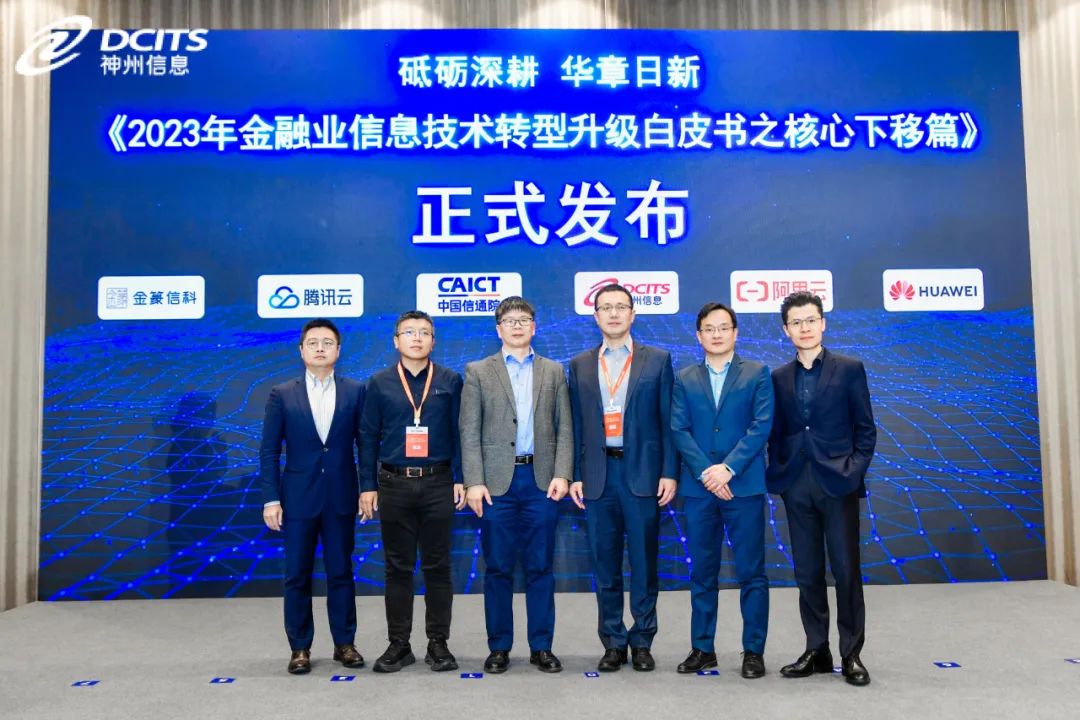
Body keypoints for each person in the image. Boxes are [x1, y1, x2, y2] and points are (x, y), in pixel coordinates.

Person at [459, 296, 574, 674]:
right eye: (510, 320)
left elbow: (565, 427)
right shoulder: (478, 371)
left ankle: (542, 646)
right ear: (499, 329)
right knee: (498, 569)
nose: (518, 325)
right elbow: (468, 431)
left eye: (524, 319)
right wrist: (473, 481)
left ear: (534, 327)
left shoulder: (553, 371)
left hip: (541, 482)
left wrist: (562, 473)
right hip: (495, 486)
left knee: (541, 567)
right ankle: (499, 647)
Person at [767, 291, 876, 687]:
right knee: (807, 572)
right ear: (786, 330)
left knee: (846, 571)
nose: (805, 328)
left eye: (811, 320)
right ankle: (817, 649)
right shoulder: (778, 377)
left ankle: (851, 654)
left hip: (838, 484)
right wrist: (781, 474)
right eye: (796, 322)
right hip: (797, 485)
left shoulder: (849, 369)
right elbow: (776, 433)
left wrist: (852, 471)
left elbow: (866, 429)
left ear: (823, 323)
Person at [567, 283, 678, 672]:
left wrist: (669, 472)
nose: (613, 314)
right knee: (605, 564)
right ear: (595, 316)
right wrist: (575, 474)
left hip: (643, 473)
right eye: (605, 307)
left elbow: (668, 421)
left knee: (644, 564)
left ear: (633, 314)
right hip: (598, 476)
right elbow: (575, 426)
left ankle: (643, 640)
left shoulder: (658, 360)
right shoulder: (579, 364)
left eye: (620, 307)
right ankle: (613, 641)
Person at [358, 310, 466, 673]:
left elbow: (460, 433)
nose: (417, 338)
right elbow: (367, 437)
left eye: (424, 332)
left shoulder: (450, 380)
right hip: (393, 484)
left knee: (438, 566)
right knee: (397, 567)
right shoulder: (379, 383)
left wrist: (461, 478)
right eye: (409, 332)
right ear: (396, 341)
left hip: (438, 482)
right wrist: (367, 486)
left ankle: (438, 643)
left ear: (433, 341)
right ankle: (399, 644)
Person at [671, 302, 774, 678]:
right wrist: (707, 473)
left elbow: (761, 426)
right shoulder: (684, 377)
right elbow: (679, 429)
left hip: (743, 487)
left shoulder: (757, 373)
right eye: (709, 329)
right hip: (700, 491)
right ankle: (703, 648)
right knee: (702, 572)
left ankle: (753, 651)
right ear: (699, 336)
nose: (716, 334)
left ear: (735, 332)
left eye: (723, 327)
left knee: (751, 572)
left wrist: (728, 470)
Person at [259, 318, 366, 675]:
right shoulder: (282, 394)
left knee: (341, 572)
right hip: (297, 499)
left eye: (327, 342)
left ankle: (344, 643)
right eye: (313, 342)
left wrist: (368, 488)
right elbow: (269, 451)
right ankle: (300, 647)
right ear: (301, 350)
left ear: (338, 350)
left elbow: (366, 446)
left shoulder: (355, 391)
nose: (320, 348)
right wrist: (271, 498)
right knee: (297, 575)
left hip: (341, 496)